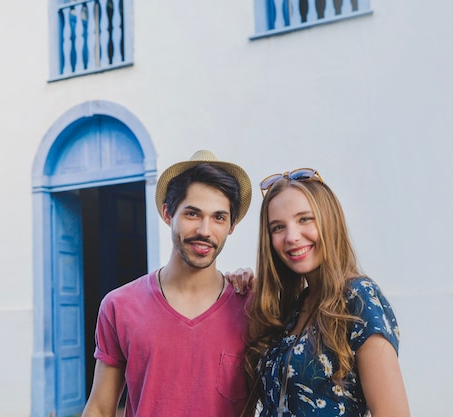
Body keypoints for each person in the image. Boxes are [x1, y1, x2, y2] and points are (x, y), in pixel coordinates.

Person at [81, 150, 254, 417]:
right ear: (167, 214)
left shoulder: (253, 306)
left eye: (218, 217)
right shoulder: (119, 306)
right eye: (192, 214)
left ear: (231, 225)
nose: (205, 231)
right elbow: (101, 408)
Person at [243, 169, 410, 417]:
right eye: (278, 227)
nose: (292, 237)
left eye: (304, 219)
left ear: (328, 220)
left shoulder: (359, 298)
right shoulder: (293, 309)